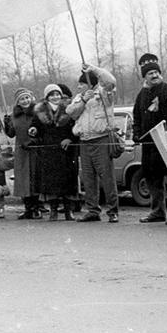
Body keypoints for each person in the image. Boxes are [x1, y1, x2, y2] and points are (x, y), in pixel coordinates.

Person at [133, 54, 167, 225]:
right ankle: (157, 211)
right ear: (145, 76)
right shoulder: (141, 95)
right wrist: (136, 134)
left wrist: (166, 134)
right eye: (150, 73)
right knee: (152, 178)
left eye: (156, 72)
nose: (155, 75)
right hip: (150, 146)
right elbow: (137, 119)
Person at [66, 64, 119, 223]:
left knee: (107, 177)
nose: (78, 86)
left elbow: (111, 81)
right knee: (88, 178)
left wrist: (93, 69)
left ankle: (112, 211)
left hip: (101, 139)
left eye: (81, 84)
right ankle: (92, 210)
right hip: (84, 141)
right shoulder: (78, 98)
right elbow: (71, 113)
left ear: (90, 83)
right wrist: (83, 99)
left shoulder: (104, 94)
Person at [29, 84, 78, 221]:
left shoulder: (68, 110)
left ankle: (69, 211)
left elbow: (76, 127)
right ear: (47, 97)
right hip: (48, 151)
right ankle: (53, 210)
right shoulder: (39, 111)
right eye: (52, 94)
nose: (55, 97)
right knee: (51, 182)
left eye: (57, 94)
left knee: (68, 181)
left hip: (66, 151)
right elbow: (35, 126)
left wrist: (70, 138)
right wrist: (33, 130)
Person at [4, 88, 43, 219]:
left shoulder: (38, 112)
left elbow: (43, 130)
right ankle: (28, 208)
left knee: (35, 177)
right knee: (22, 179)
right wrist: (7, 124)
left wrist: (34, 141)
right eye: (22, 99)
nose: (25, 101)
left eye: (27, 98)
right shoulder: (15, 115)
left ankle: (37, 207)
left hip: (35, 149)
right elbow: (11, 133)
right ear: (18, 102)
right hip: (21, 150)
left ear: (31, 98)